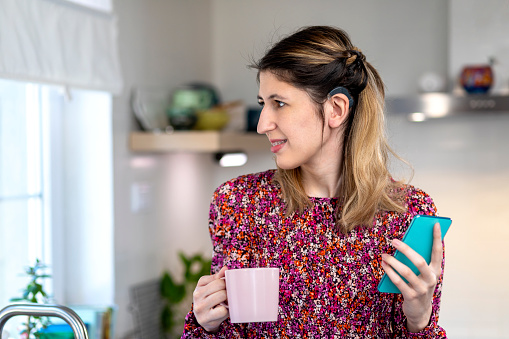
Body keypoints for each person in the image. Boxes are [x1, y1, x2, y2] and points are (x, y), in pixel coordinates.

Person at [182, 25, 447, 338]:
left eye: (279, 103)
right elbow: (230, 329)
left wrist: (419, 321)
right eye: (262, 104)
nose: (263, 124)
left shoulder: (410, 212)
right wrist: (206, 326)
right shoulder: (239, 202)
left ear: (335, 109)